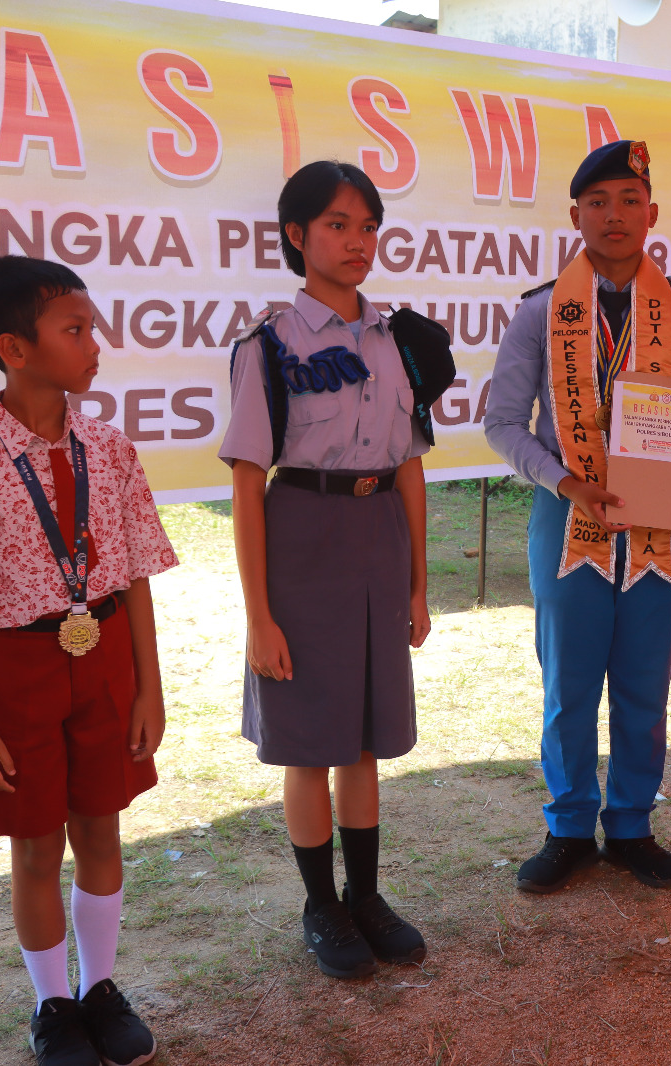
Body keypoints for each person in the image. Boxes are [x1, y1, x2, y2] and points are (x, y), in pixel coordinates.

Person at [0, 256, 176, 1065]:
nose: (94, 344)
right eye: (76, 329)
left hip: (105, 658)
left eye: (91, 328)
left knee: (101, 827)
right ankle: (53, 1004)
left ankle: (100, 988)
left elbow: (135, 575)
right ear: (15, 348)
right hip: (13, 670)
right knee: (35, 846)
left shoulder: (111, 449)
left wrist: (149, 689)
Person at [484, 140, 671, 894]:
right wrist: (563, 482)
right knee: (570, 682)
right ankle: (567, 828)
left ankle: (630, 826)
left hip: (662, 527)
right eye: (598, 202)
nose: (614, 215)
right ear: (575, 215)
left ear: (651, 213)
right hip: (567, 518)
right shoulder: (539, 313)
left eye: (629, 200)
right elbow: (503, 424)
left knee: (646, 681)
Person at [219, 161, 432, 980]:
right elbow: (248, 484)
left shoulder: (398, 340)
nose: (357, 241)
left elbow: (409, 464)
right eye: (338, 224)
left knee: (365, 737)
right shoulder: (268, 345)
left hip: (379, 535)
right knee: (310, 740)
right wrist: (258, 616)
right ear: (297, 235)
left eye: (368, 226)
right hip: (302, 536)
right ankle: (322, 906)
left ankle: (366, 897)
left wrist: (418, 583)